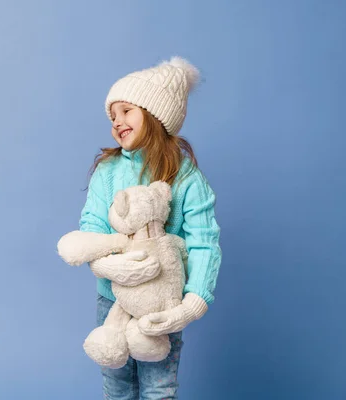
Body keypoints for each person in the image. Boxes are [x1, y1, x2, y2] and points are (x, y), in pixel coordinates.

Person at [79, 57, 222, 400]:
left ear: (155, 114)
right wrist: (103, 263)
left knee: (159, 387)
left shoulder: (186, 177)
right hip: (112, 298)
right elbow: (91, 228)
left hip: (162, 304)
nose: (117, 122)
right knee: (116, 386)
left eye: (126, 111)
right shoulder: (107, 172)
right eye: (112, 116)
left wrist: (191, 304)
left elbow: (204, 243)